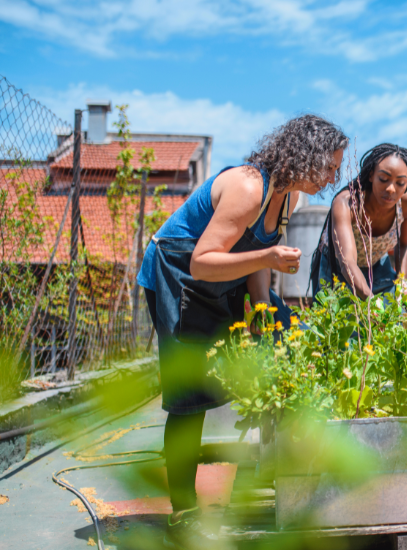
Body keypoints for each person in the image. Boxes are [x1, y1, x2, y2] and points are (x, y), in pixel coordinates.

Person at [136, 115, 348, 549]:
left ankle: (275, 472)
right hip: (179, 277)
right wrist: (270, 257)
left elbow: (253, 263)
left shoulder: (285, 199)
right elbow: (201, 260)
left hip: (219, 285)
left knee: (270, 348)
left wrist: (265, 311)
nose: (333, 177)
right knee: (189, 397)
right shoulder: (250, 187)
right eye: (329, 166)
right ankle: (184, 511)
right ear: (306, 155)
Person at [311, 143, 407, 298]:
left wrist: (402, 282)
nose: (391, 189)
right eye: (383, 179)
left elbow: (403, 244)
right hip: (337, 268)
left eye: (400, 183)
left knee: (397, 315)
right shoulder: (348, 203)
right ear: (371, 175)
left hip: (376, 264)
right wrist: (372, 303)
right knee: (336, 319)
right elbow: (347, 261)